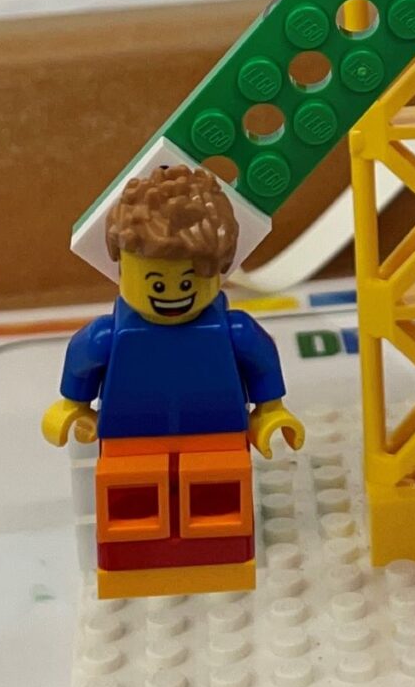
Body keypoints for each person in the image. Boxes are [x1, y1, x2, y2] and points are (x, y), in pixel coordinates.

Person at [46, 163, 301, 596]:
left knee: (218, 502)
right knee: (131, 505)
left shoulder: (232, 331)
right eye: (156, 283)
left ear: (217, 270)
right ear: (123, 268)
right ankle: (135, 571)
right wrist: (73, 405)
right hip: (131, 440)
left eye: (187, 281)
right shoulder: (111, 335)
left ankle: (221, 567)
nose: (172, 295)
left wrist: (270, 412)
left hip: (217, 436)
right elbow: (83, 359)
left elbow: (260, 363)